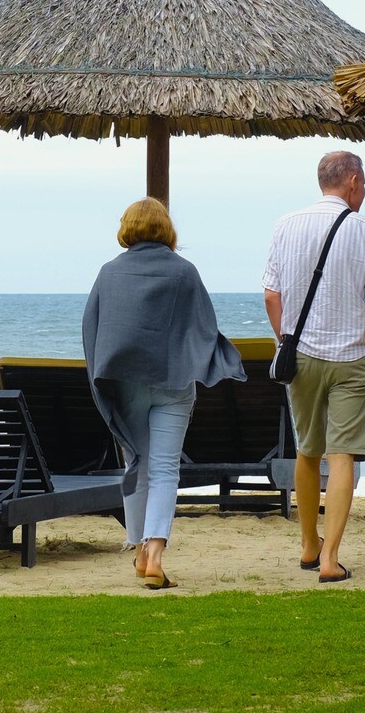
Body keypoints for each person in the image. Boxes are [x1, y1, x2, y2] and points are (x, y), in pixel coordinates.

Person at [82, 196, 244, 590]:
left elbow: (93, 332)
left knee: (136, 463)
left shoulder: (109, 273)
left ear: (127, 229)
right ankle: (153, 552)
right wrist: (221, 360)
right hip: (174, 384)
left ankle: (140, 549)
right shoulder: (184, 272)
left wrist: (102, 382)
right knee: (165, 469)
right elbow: (203, 327)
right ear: (167, 230)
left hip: (125, 385)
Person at [264, 150, 365, 584]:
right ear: (353, 181)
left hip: (301, 355)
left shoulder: (285, 225)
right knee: (342, 457)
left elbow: (271, 295)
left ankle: (308, 544)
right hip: (353, 355)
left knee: (307, 450)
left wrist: (286, 340)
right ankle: (330, 559)